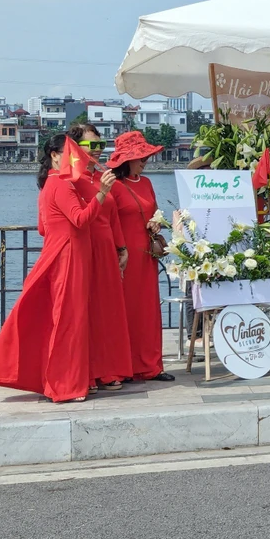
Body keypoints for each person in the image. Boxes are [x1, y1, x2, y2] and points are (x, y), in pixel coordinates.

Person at [0, 134, 116, 403]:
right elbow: (80, 220)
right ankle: (65, 384)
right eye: (70, 153)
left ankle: (71, 380)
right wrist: (102, 193)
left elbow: (43, 228)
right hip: (70, 257)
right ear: (54, 156)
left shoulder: (51, 184)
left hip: (62, 253)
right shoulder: (61, 184)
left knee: (65, 319)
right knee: (70, 321)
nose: (75, 157)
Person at [66, 123, 134, 393]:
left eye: (100, 145)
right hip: (85, 250)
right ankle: (88, 373)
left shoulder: (102, 177)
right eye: (91, 145)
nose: (97, 150)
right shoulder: (70, 180)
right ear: (75, 148)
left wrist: (122, 247)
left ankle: (108, 370)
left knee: (108, 312)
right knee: (86, 312)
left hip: (106, 250)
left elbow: (113, 216)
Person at [107, 131, 174, 383]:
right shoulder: (112, 185)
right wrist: (118, 249)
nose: (146, 161)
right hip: (123, 254)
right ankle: (122, 366)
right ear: (127, 160)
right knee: (123, 310)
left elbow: (154, 212)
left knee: (148, 310)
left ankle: (150, 365)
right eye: (141, 157)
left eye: (146, 156)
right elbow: (107, 220)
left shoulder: (146, 183)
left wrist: (157, 223)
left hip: (146, 254)